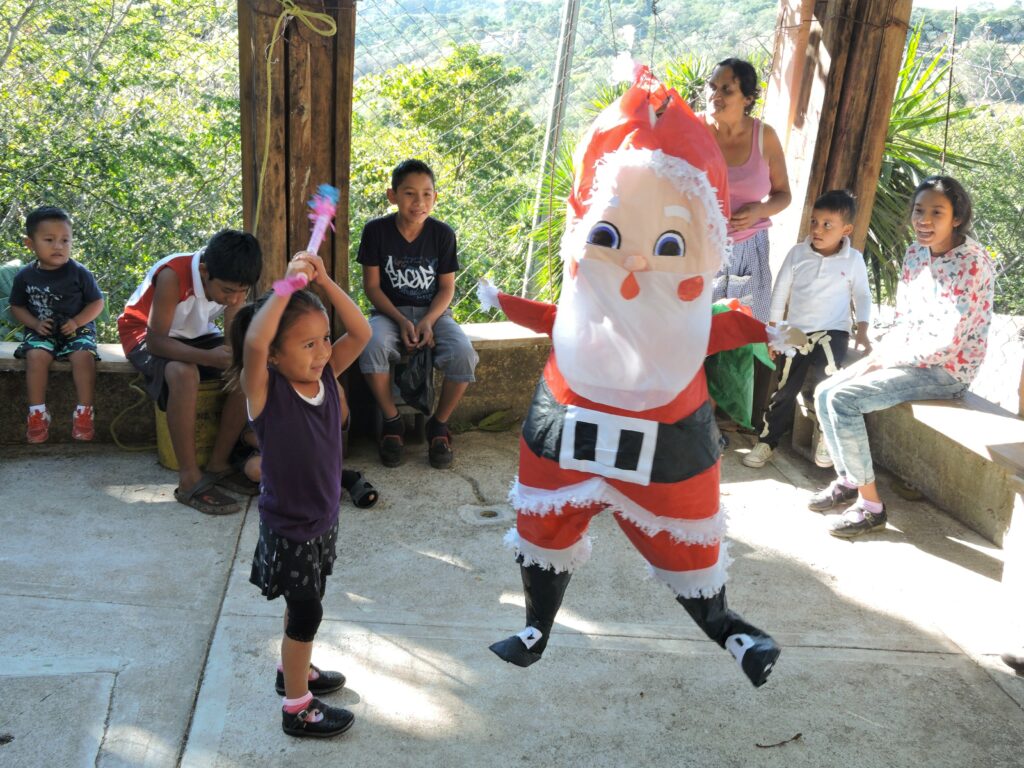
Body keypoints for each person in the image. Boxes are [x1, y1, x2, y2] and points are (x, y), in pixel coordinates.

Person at [482, 69, 796, 688]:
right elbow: (554, 318)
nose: (635, 261)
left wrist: (772, 330)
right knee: (545, 526)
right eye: (607, 234)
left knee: (685, 544)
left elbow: (729, 324)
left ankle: (733, 631)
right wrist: (506, 302)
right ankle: (535, 627)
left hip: (666, 436)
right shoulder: (590, 299)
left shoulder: (687, 317)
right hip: (572, 423)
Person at [229, 251, 370, 738]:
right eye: (307, 344)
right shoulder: (266, 393)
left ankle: (294, 670)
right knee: (307, 610)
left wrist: (325, 281)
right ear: (273, 355)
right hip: (289, 524)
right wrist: (285, 289)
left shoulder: (327, 377)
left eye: (324, 339)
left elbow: (362, 332)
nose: (323, 350)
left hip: (323, 518)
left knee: (306, 599)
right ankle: (297, 707)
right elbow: (253, 341)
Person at [810, 176, 994, 538]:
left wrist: (884, 360)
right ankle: (849, 479)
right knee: (824, 392)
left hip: (947, 369)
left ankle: (871, 507)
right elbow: (905, 319)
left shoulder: (971, 263)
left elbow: (948, 341)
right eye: (918, 210)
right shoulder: (915, 253)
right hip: (906, 358)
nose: (923, 220)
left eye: (936, 213)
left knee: (845, 399)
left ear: (956, 218)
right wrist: (880, 352)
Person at [117, 229, 261, 515]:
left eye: (242, 292)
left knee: (246, 371)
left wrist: (233, 360)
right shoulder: (174, 274)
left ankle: (219, 463)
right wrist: (208, 357)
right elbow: (157, 341)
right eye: (228, 292)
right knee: (184, 374)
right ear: (205, 272)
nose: (235, 299)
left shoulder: (231, 282)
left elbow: (233, 333)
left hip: (195, 334)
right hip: (145, 335)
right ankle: (189, 478)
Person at [357, 159, 479, 469]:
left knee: (464, 354)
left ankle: (438, 425)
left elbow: (446, 288)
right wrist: (400, 320)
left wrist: (427, 320)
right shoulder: (376, 232)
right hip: (388, 312)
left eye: (427, 194)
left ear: (435, 198)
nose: (419, 202)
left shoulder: (442, 234)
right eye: (410, 194)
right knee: (371, 346)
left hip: (434, 313)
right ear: (392, 196)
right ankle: (392, 421)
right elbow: (372, 287)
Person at [743, 190, 871, 469]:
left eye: (828, 224)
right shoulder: (797, 253)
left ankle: (826, 437)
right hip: (795, 330)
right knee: (784, 387)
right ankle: (767, 441)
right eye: (815, 221)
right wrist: (774, 331)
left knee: (829, 378)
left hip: (833, 331)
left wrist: (862, 329)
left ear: (846, 230)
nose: (818, 229)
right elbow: (780, 291)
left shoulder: (853, 260)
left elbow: (861, 294)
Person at [702, 58, 791, 324]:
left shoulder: (765, 137)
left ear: (748, 99)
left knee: (742, 336)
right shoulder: (693, 131)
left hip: (749, 251)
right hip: (699, 248)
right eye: (712, 86)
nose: (715, 95)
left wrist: (761, 210)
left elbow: (784, 194)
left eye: (727, 90)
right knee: (696, 337)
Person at [10, 206, 105, 443]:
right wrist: (35, 323)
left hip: (77, 327)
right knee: (36, 357)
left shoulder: (79, 273)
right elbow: (17, 307)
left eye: (65, 240)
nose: (58, 246)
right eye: (49, 240)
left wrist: (77, 322)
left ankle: (84, 412)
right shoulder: (25, 276)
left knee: (83, 356)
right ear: (30, 243)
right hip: (42, 328)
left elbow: (97, 303)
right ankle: (37, 414)